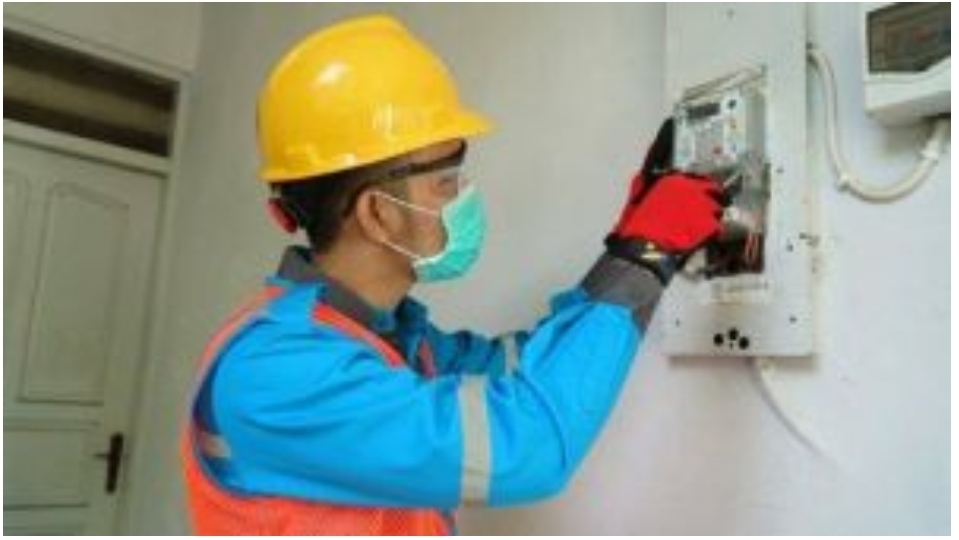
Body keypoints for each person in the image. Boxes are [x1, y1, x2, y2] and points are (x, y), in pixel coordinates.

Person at [181, 14, 721, 536]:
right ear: (378, 214)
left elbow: (522, 369)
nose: (465, 197)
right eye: (446, 182)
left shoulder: (391, 340)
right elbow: (522, 446)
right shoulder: (275, 372)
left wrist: (624, 250)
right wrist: (645, 253)